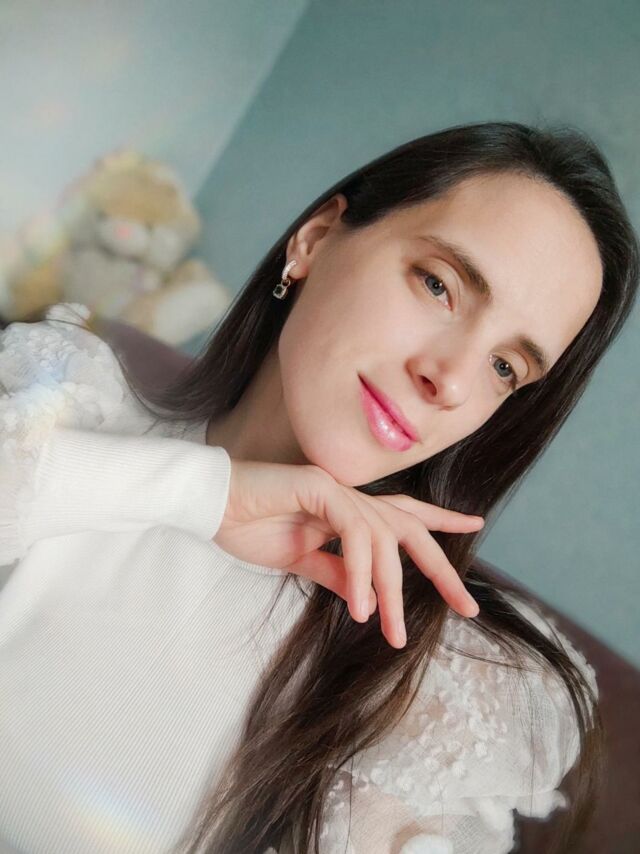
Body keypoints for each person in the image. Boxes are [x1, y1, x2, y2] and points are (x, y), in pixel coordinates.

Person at [0, 120, 637, 854]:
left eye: (505, 368)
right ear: (316, 238)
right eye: (439, 285)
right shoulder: (68, 418)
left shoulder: (430, 684)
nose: (453, 380)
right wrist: (201, 494)